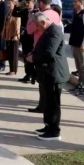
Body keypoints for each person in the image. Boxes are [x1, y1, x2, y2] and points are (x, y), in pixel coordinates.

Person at [27, 12, 69, 141]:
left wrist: (33, 58)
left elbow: (49, 53)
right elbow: (40, 46)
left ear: (44, 22)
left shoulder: (54, 32)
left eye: (38, 26)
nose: (38, 29)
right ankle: (47, 126)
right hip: (46, 73)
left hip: (54, 73)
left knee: (53, 103)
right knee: (47, 101)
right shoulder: (48, 30)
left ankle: (54, 131)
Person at [68, 0, 84, 97]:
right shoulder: (76, 14)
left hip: (81, 45)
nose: (74, 3)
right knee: (78, 65)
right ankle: (80, 84)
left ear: (81, 3)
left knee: (83, 66)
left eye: (75, 2)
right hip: (75, 43)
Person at [2, 0, 21, 76]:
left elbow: (17, 24)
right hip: (8, 35)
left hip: (14, 36)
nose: (8, 4)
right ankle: (10, 69)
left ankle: (14, 70)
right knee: (9, 53)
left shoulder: (16, 12)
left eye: (10, 3)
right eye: (8, 3)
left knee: (14, 54)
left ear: (14, 3)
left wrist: (16, 35)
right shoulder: (9, 11)